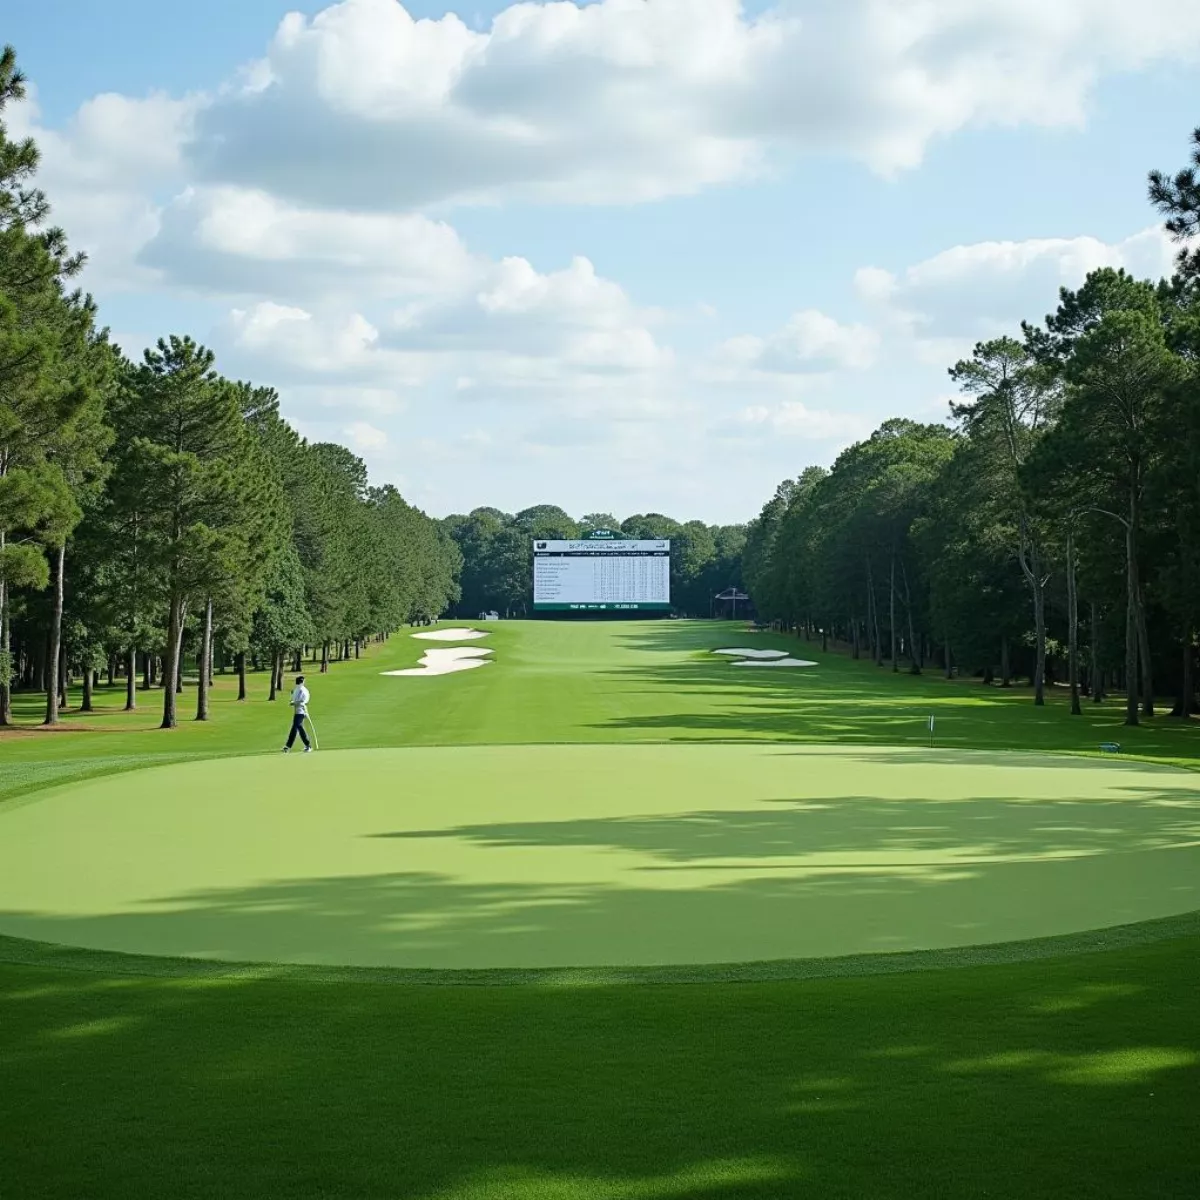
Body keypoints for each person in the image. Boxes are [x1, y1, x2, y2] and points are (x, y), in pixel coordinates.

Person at [283, 675, 313, 753]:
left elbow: (302, 701)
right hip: (297, 711)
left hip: (301, 711)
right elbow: (294, 699)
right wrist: (293, 702)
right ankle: (305, 746)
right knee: (297, 728)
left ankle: (289, 746)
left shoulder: (302, 690)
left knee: (296, 727)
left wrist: (294, 703)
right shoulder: (298, 689)